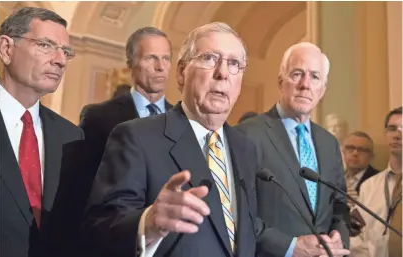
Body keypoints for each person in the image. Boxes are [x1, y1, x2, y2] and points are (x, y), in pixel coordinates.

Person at [83, 22, 271, 257]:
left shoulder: (245, 148)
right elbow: (98, 230)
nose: (222, 73)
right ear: (181, 73)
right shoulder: (136, 137)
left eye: (234, 64)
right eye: (210, 58)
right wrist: (147, 224)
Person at [236, 42, 350, 257]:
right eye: (297, 74)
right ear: (281, 81)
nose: (305, 84)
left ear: (322, 90)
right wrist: (290, 247)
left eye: (315, 77)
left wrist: (337, 240)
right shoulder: (246, 135)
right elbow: (236, 212)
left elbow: (339, 205)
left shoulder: (329, 143)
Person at [0, 7, 84, 257]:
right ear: (6, 49)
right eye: (45, 45)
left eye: (66, 51)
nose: (60, 60)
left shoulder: (72, 137)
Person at [79, 26, 173, 177]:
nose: (160, 67)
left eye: (166, 59)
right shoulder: (99, 117)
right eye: (151, 58)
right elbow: (78, 182)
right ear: (131, 64)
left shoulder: (182, 120)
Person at [349, 107, 402, 257]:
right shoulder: (369, 186)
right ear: (386, 134)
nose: (397, 135)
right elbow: (357, 239)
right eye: (392, 129)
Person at [342, 131, 379, 207]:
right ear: (343, 152)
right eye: (350, 148)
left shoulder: (379, 180)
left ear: (371, 156)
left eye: (362, 150)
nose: (355, 153)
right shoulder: (332, 177)